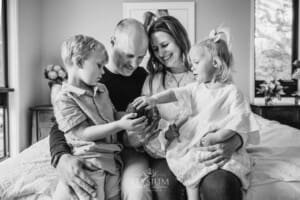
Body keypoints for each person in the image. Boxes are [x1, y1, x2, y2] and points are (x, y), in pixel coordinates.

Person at [49, 18, 243, 200]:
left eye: (141, 57)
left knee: (145, 189)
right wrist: (61, 157)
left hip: (173, 148)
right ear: (113, 41)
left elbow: (235, 110)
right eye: (129, 55)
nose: (135, 64)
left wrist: (235, 140)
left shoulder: (150, 77)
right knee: (154, 186)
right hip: (120, 151)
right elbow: (63, 122)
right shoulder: (92, 79)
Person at [133, 26, 260, 200]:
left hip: (211, 142)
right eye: (155, 49)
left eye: (164, 44)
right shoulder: (160, 81)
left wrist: (230, 142)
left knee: (219, 185)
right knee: (167, 186)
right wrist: (157, 111)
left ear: (179, 40)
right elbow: (168, 101)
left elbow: (240, 120)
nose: (161, 53)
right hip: (179, 145)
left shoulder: (216, 83)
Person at [52, 35, 148, 200]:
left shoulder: (101, 89)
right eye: (99, 66)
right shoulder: (64, 98)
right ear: (80, 62)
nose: (102, 72)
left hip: (112, 159)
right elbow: (80, 132)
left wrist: (127, 114)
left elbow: (111, 116)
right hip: (90, 160)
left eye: (140, 57)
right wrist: (120, 125)